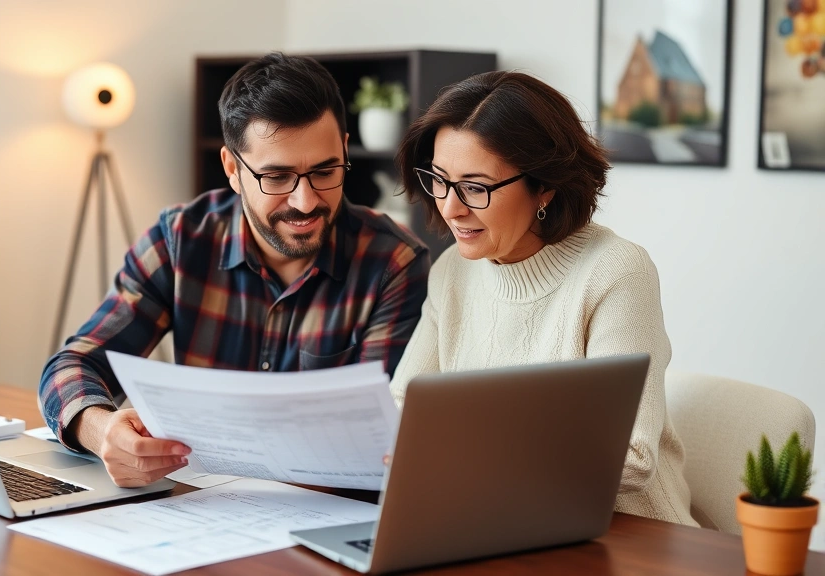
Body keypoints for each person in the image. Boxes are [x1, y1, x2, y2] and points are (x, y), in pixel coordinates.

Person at [39, 53, 430, 487]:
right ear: (232, 169)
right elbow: (72, 365)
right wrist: (102, 432)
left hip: (323, 519)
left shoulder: (393, 263)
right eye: (277, 177)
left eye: (325, 171)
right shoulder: (181, 239)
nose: (305, 201)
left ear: (343, 147)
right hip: (197, 508)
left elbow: (372, 440)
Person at [389, 70, 698, 527]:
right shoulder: (453, 270)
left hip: (627, 535)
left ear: (545, 187)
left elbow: (628, 457)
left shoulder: (615, 272)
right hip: (495, 519)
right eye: (438, 179)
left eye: (475, 187)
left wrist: (455, 446)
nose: (449, 207)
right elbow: (402, 410)